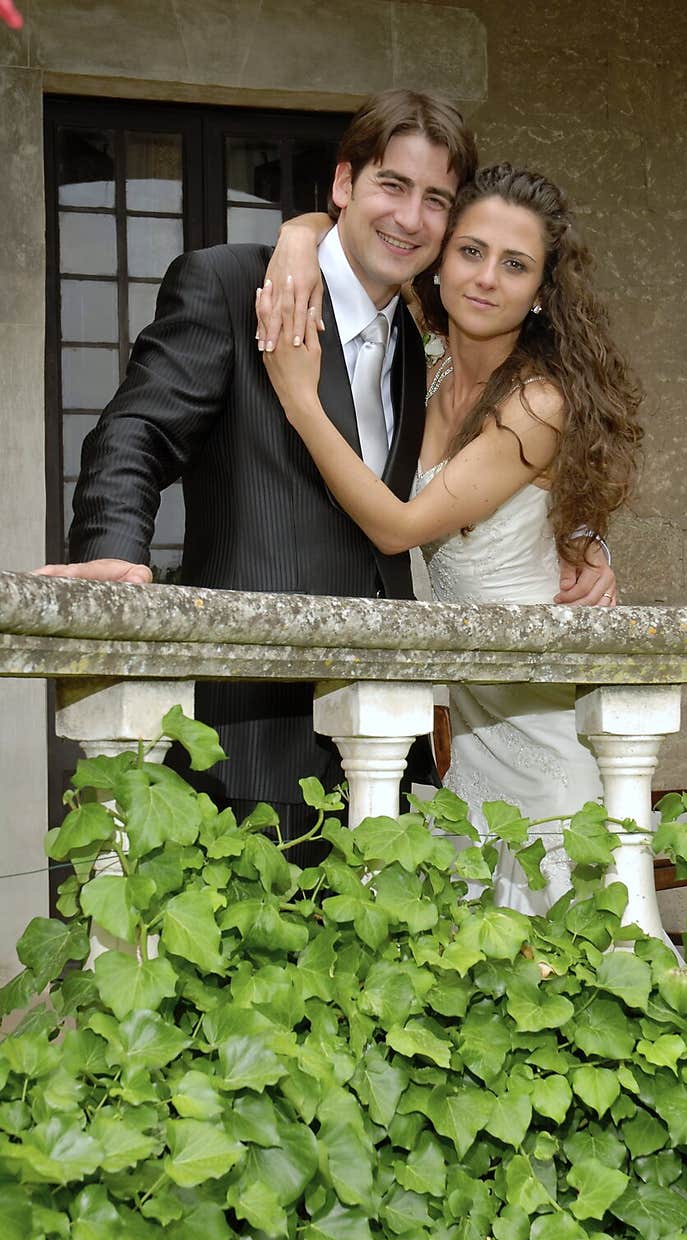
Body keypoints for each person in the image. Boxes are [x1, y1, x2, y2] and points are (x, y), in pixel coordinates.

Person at [33, 90, 615, 864]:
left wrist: (580, 534)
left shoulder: (419, 344)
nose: (410, 218)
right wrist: (110, 555)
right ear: (342, 184)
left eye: (436, 200)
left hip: (387, 754)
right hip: (247, 743)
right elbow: (133, 432)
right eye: (391, 186)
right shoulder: (233, 288)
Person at [260, 163, 643, 911]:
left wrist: (303, 402)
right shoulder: (425, 370)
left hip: (543, 752)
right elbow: (351, 237)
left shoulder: (536, 403)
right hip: (468, 751)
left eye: (516, 265)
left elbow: (396, 527)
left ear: (541, 293)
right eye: (470, 251)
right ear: (438, 258)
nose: (486, 278)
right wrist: (295, 237)